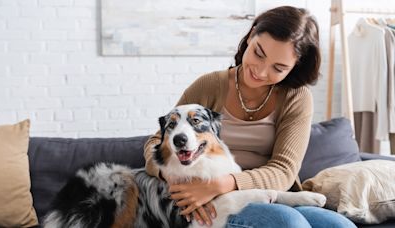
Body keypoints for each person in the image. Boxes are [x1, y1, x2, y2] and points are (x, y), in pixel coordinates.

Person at [143, 6, 356, 228]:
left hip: (273, 195)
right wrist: (175, 179)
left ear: (295, 67)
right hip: (219, 202)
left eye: (279, 68)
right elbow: (156, 142)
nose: (261, 71)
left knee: (341, 226)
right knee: (290, 224)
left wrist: (221, 184)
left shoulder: (297, 98)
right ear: (251, 34)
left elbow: (284, 170)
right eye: (258, 53)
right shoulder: (209, 86)